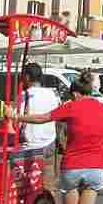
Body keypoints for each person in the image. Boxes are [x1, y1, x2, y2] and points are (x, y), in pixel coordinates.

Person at [19, 63, 61, 191]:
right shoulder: (52, 94)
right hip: (49, 142)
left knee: (31, 184)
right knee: (48, 183)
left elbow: (19, 120)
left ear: (27, 77)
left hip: (31, 145)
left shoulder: (24, 95)